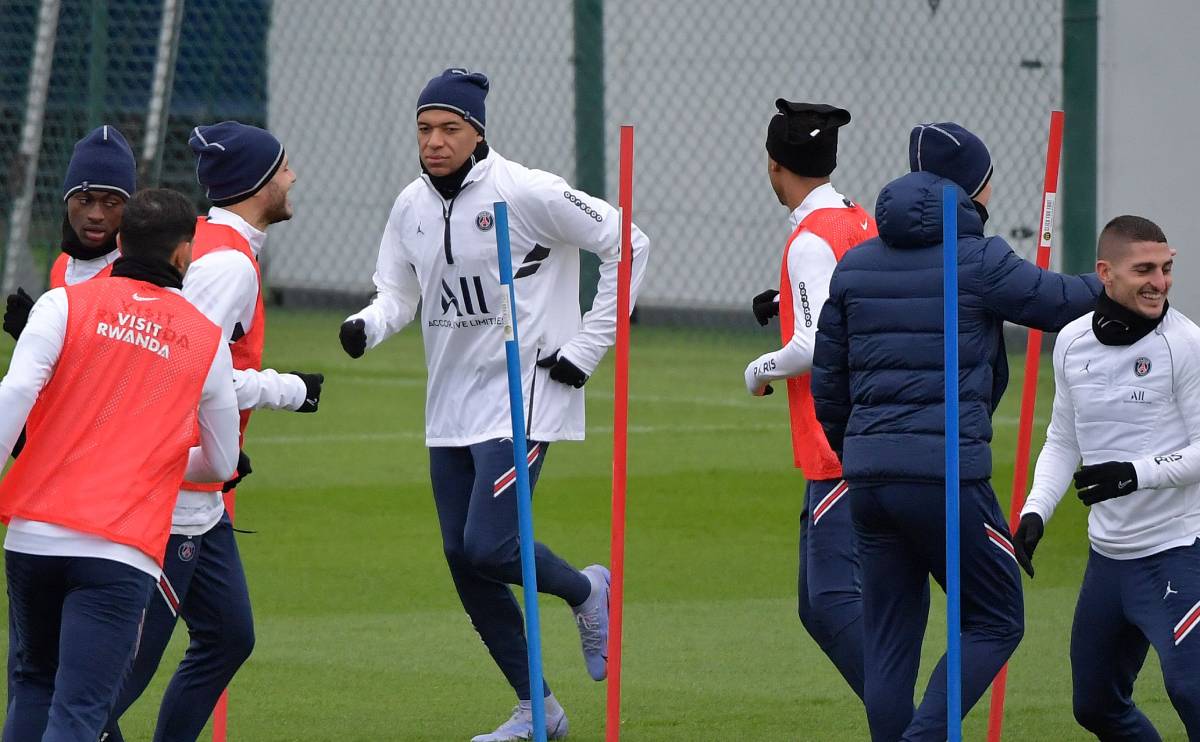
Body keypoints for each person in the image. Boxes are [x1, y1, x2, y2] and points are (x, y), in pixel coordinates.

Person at [339, 68, 649, 742]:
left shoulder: (526, 191)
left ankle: (586, 591)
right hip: (448, 406)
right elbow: (398, 293)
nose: (434, 141)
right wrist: (368, 324)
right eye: (425, 128)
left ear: (478, 132)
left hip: (525, 395)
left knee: (490, 543)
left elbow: (628, 242)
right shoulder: (409, 206)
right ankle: (538, 709)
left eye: (449, 128)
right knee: (463, 558)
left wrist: (587, 347)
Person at [811, 122, 1102, 741]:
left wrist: (857, 450)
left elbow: (828, 382)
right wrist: (1117, 284)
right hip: (946, 476)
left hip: (869, 479)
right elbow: (1057, 302)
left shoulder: (856, 266)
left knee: (889, 640)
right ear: (974, 187)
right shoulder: (981, 258)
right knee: (997, 617)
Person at [102, 121, 324, 742]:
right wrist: (288, 390)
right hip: (177, 488)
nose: (293, 178)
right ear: (258, 183)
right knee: (119, 674)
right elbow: (191, 368)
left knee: (228, 634)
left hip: (202, 489)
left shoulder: (212, 243)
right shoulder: (229, 264)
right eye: (284, 168)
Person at [0, 188, 240, 742]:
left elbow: (15, 393)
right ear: (184, 253)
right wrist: (159, 460)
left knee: (33, 685)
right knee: (80, 710)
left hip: (33, 534)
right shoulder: (205, 340)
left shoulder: (62, 304)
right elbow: (222, 460)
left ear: (121, 240)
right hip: (118, 547)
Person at [1016, 215, 1200, 739]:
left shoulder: (1186, 343)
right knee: (1095, 705)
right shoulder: (1072, 341)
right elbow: (1062, 440)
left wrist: (1134, 475)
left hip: (1178, 551)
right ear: (1105, 273)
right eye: (1144, 270)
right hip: (1108, 561)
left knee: (1192, 691)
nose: (1160, 282)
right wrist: (1035, 510)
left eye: (1165, 268)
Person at [742, 99, 875, 700]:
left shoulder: (808, 240)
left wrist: (757, 370)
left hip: (837, 442)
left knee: (829, 603)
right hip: (869, 430)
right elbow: (853, 303)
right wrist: (784, 299)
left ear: (775, 166)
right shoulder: (860, 220)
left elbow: (815, 345)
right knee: (824, 601)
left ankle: (909, 723)